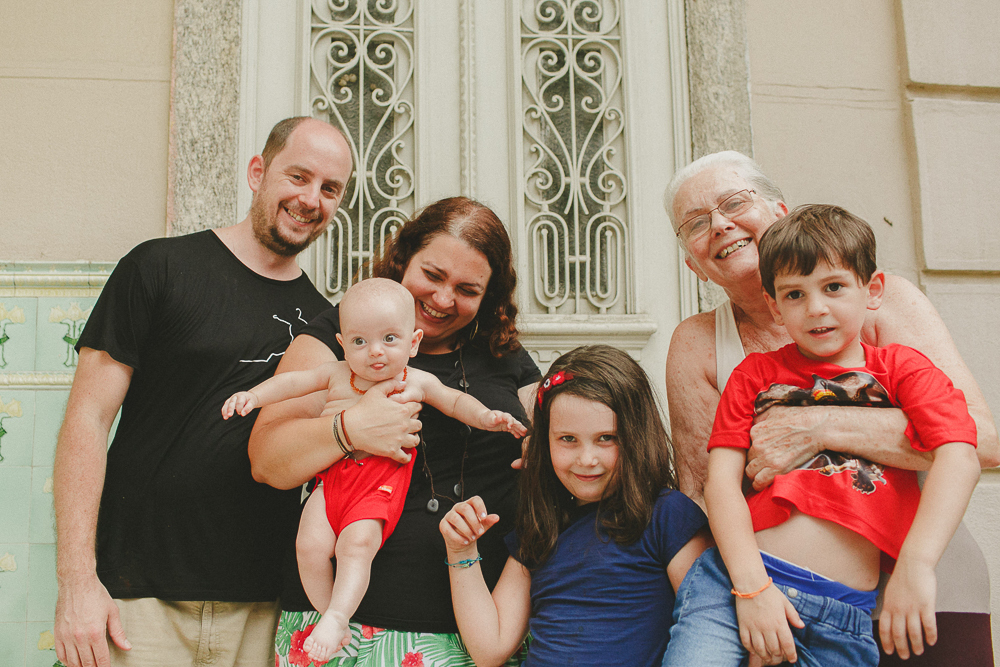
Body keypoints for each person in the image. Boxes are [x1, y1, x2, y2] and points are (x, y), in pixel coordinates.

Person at [663, 151, 999, 665]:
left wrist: (819, 426)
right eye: (695, 223)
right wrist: (749, 596)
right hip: (766, 592)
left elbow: (978, 442)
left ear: (779, 213)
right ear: (692, 264)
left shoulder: (890, 319)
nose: (720, 226)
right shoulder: (708, 350)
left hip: (918, 579)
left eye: (734, 203)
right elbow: (705, 491)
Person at [51, 116, 353, 667]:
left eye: (329, 188)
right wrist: (77, 581)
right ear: (257, 172)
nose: (311, 199)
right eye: (298, 176)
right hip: (135, 601)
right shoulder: (158, 268)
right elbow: (86, 420)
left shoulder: (326, 325)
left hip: (262, 609)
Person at [247, 196, 542, 667]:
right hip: (348, 631)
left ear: (489, 295)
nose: (443, 299)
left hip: (475, 630)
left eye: (467, 289)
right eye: (433, 275)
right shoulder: (343, 336)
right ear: (403, 258)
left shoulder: (503, 353)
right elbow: (267, 460)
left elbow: (557, 437)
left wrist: (543, 453)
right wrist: (349, 430)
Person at [440, 345, 711, 667]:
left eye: (606, 438)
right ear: (544, 442)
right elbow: (489, 648)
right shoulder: (542, 524)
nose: (587, 459)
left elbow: (708, 628)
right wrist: (461, 551)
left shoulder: (669, 516)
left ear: (637, 436)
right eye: (568, 439)